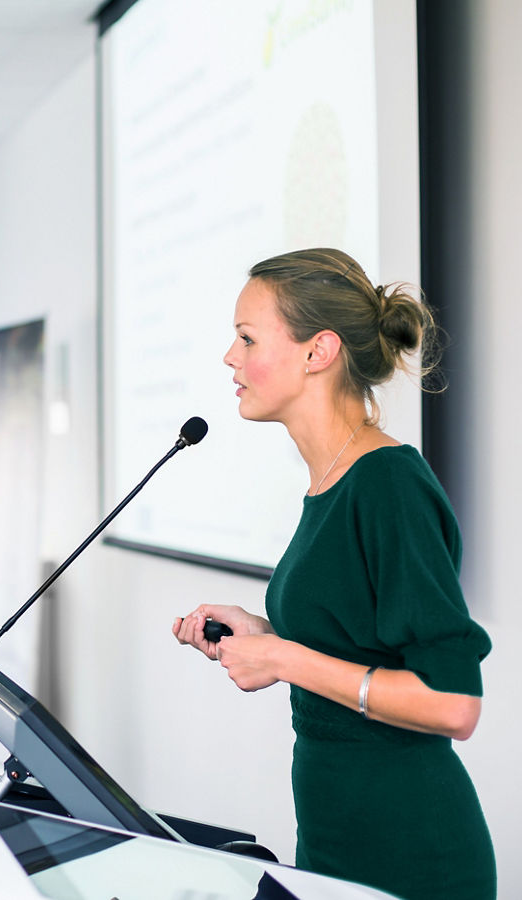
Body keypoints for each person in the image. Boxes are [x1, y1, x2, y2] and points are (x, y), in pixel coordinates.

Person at [172, 248, 493, 899]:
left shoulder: (388, 485)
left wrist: (283, 658)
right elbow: (357, 637)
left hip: (408, 859)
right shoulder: (332, 480)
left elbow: (453, 704)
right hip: (333, 841)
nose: (229, 357)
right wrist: (258, 632)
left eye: (247, 337)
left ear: (318, 352)